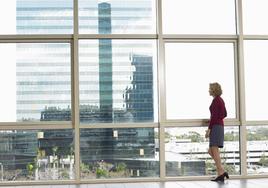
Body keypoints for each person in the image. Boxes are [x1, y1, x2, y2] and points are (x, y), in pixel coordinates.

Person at [205, 82, 229, 182]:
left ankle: (221, 173)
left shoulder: (216, 100)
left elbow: (214, 116)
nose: (209, 90)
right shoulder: (220, 100)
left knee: (213, 150)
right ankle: (222, 172)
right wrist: (217, 119)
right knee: (211, 151)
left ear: (213, 90)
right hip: (218, 126)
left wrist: (209, 130)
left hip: (216, 127)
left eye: (210, 89)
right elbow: (224, 114)